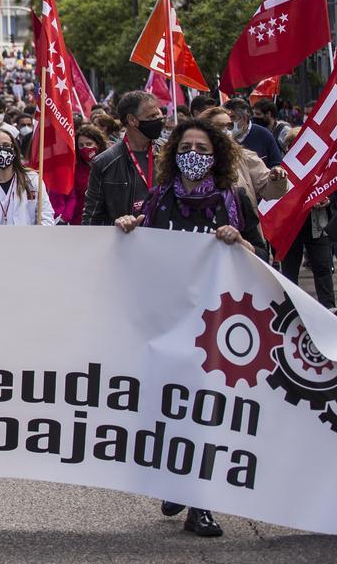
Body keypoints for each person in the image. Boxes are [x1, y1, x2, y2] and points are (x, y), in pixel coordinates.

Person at [114, 118, 266, 538]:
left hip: (213, 327)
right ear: (173, 154)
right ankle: (174, 480)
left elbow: (261, 258)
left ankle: (201, 506)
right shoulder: (158, 197)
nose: (194, 154)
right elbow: (141, 249)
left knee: (204, 414)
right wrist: (129, 228)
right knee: (170, 410)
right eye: (186, 147)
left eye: (202, 147)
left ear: (216, 154)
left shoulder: (233, 200)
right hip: (166, 321)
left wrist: (240, 242)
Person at [82, 91, 163, 225]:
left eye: (158, 114)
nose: (159, 120)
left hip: (163, 239)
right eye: (152, 116)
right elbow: (91, 217)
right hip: (124, 241)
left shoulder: (168, 152)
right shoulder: (104, 162)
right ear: (132, 120)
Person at [278, 128, 335, 310]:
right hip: (290, 229)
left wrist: (327, 199)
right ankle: (291, 310)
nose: (292, 148)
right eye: (290, 145)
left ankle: (329, 310)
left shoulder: (320, 168)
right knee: (289, 273)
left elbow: (332, 188)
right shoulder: (280, 169)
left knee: (323, 268)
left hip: (317, 225)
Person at [198, 107, 287, 206]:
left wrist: (276, 179)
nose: (225, 130)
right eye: (219, 126)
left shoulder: (245, 157)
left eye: (229, 126)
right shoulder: (194, 160)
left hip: (241, 220)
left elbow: (271, 192)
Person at [61, 125, 108, 225]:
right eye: (81, 145)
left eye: (89, 144)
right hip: (79, 220)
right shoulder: (74, 168)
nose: (85, 148)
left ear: (98, 144)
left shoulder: (108, 165)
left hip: (104, 221)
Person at [225, 98, 282, 168]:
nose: (229, 122)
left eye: (233, 117)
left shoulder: (264, 135)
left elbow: (276, 164)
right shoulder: (222, 137)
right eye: (226, 118)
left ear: (245, 117)